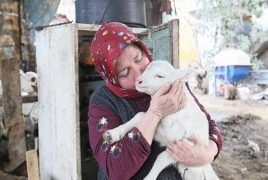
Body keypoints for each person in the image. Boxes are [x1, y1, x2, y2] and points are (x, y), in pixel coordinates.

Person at [88, 22, 222, 180]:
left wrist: (207, 154)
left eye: (139, 59)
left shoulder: (166, 77)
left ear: (145, 51)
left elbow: (209, 124)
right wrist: (156, 113)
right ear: (112, 77)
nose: (139, 74)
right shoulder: (103, 101)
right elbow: (115, 168)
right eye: (125, 72)